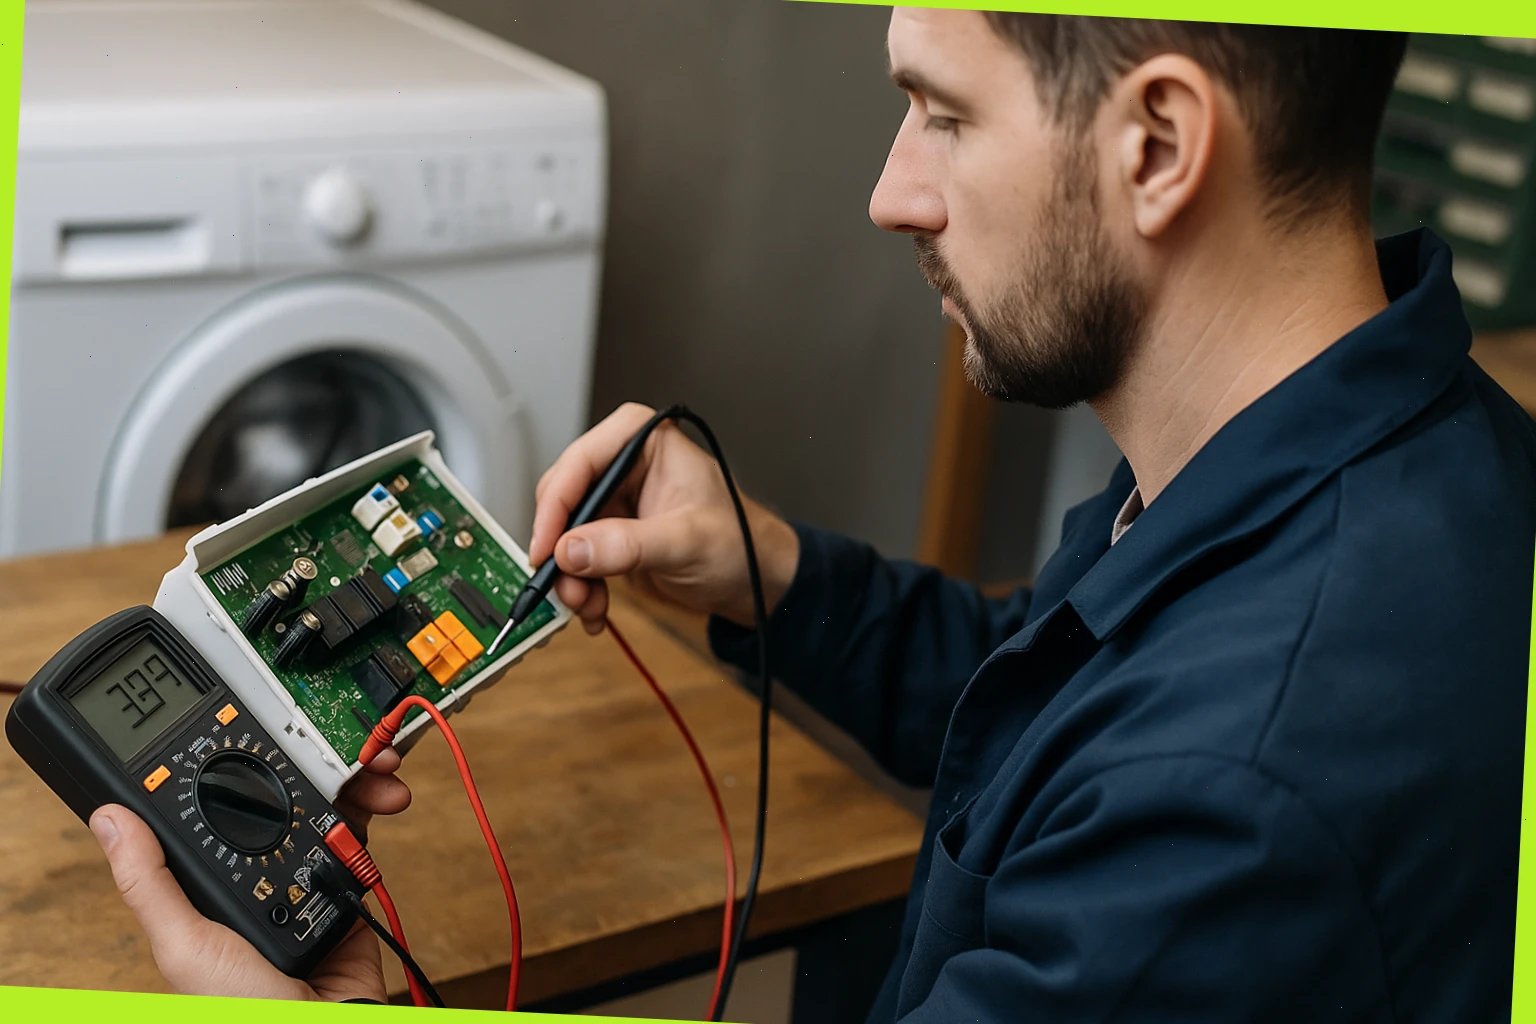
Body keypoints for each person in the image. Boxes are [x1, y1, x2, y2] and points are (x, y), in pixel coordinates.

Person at [88, 9, 1536, 1020]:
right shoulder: (1381, 455)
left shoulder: (1241, 802)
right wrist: (774, 575)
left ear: (1157, 143)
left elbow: (1155, 770)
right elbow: (1054, 703)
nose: (891, 193)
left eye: (943, 114)